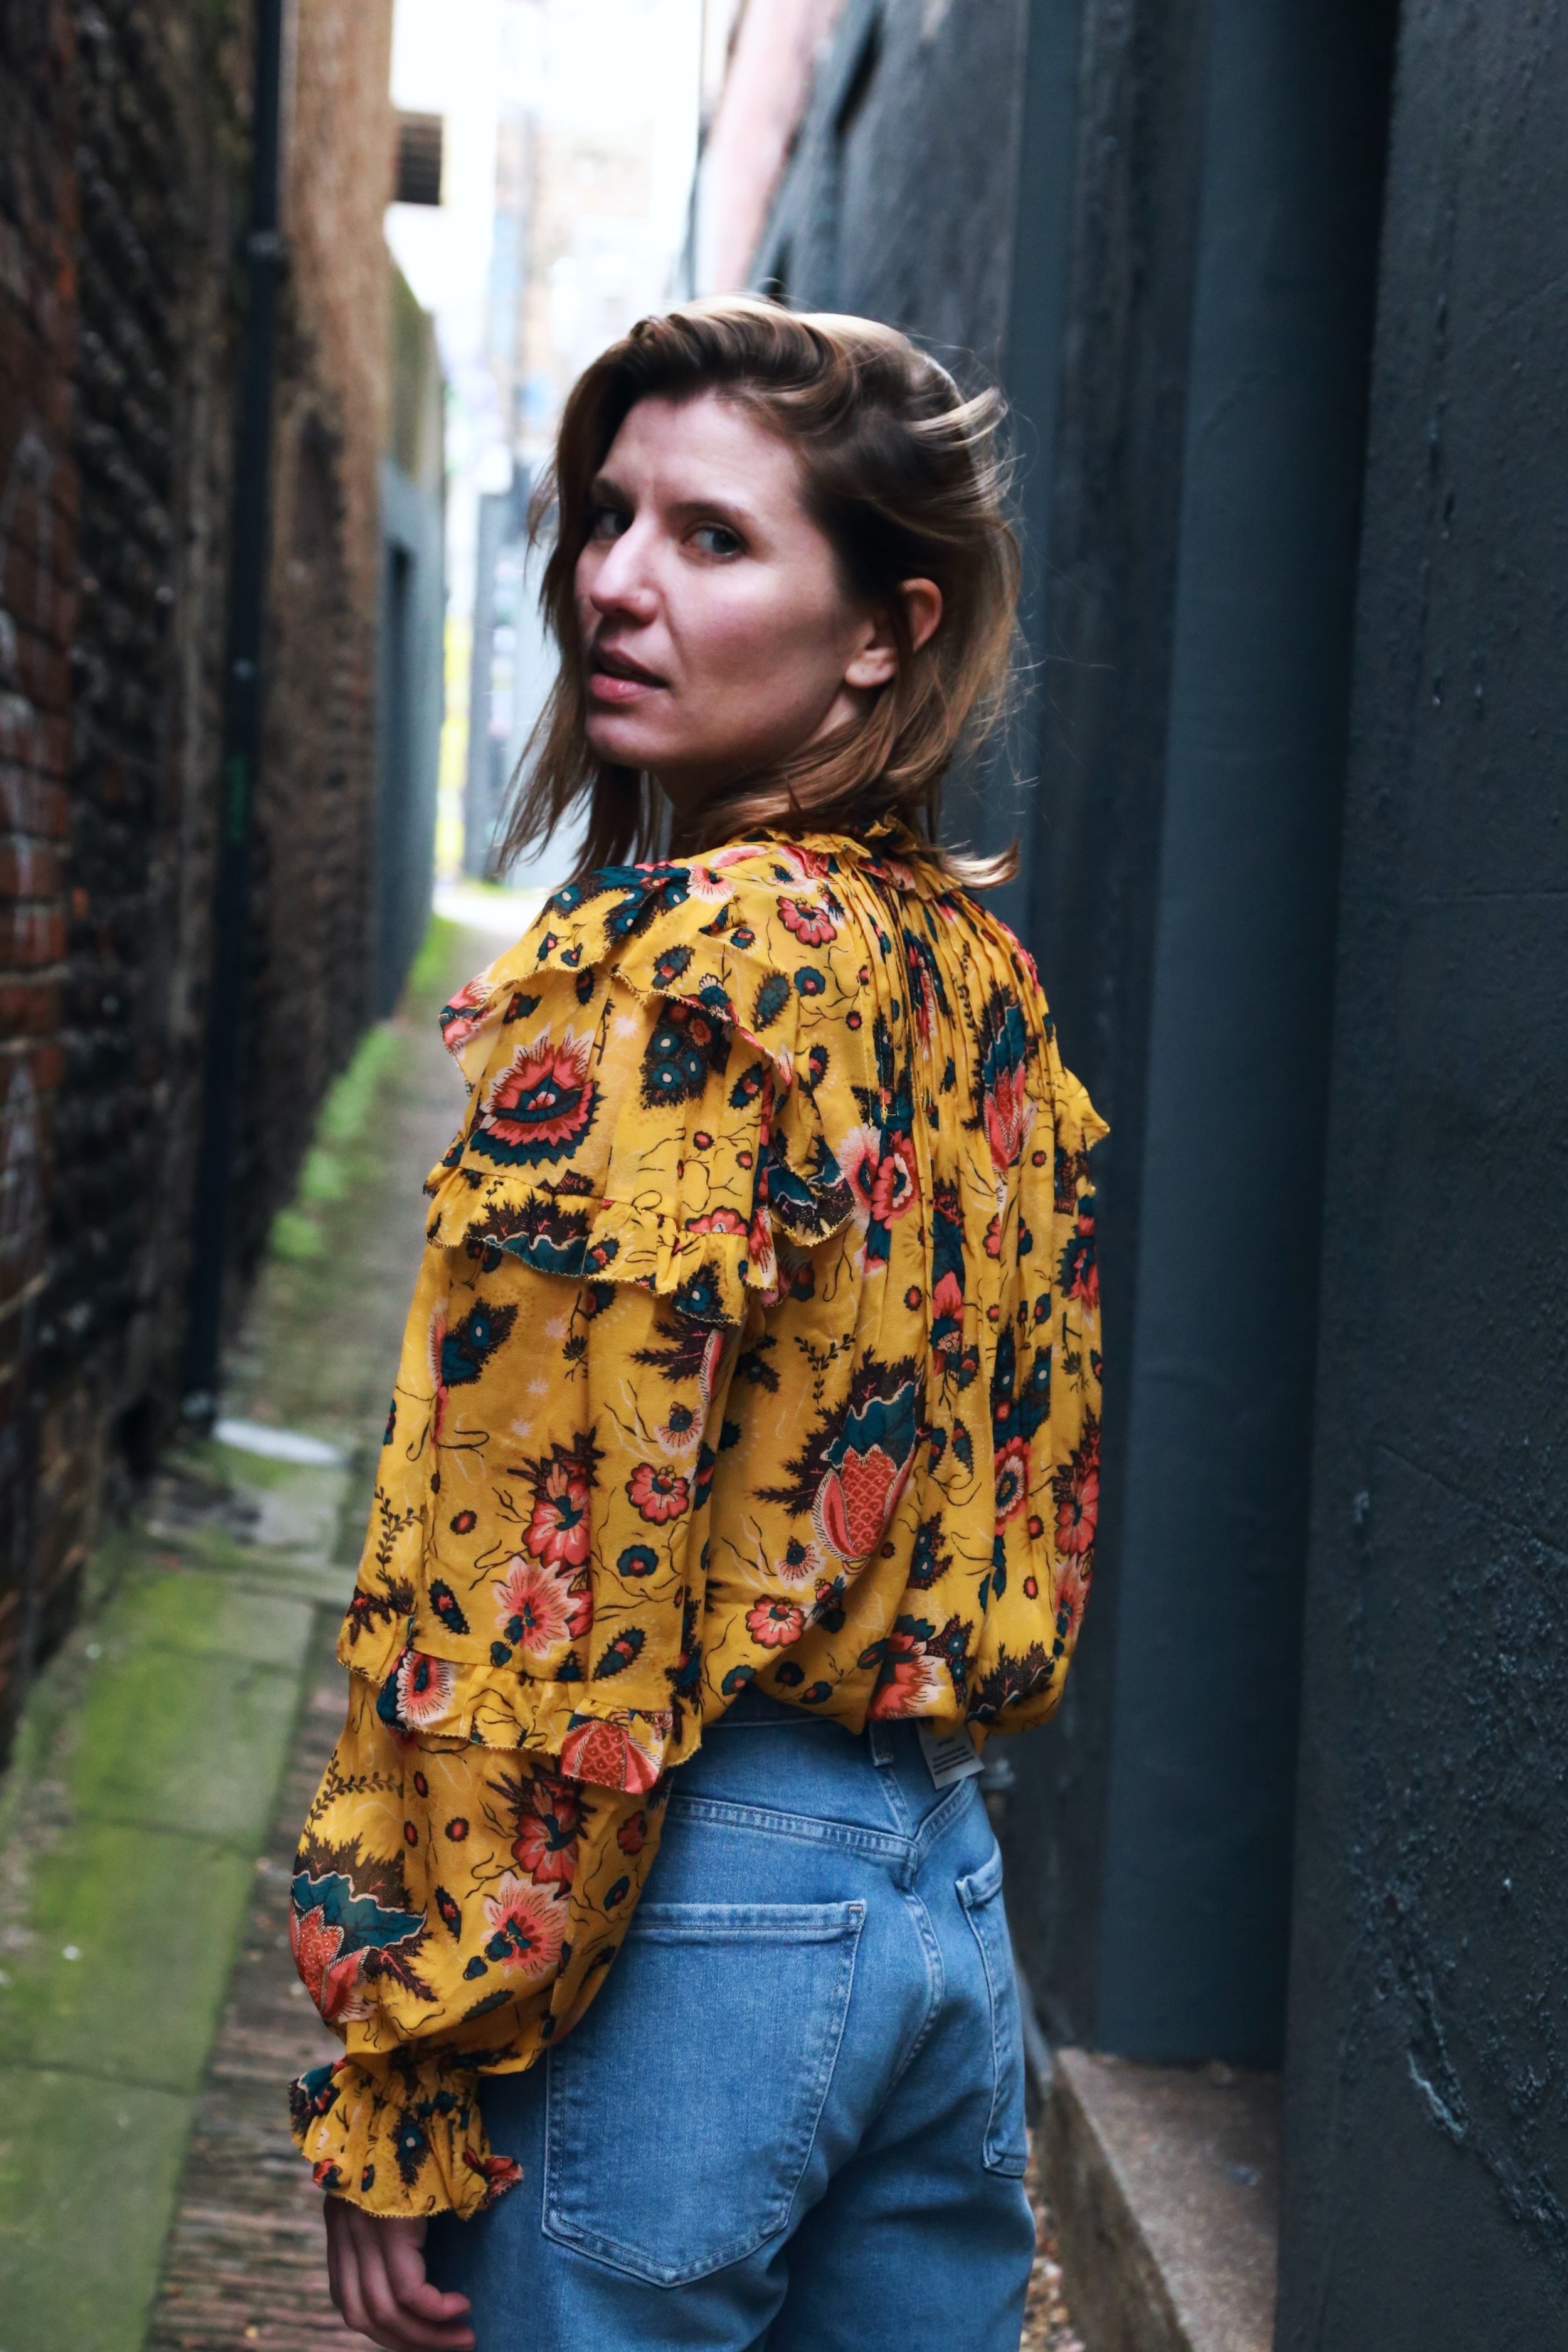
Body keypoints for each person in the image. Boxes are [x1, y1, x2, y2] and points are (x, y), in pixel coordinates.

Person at [287, 297, 1104, 2352]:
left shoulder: (666, 982)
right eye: (607, 515)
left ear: (882, 633)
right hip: (937, 1904)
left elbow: (529, 1574)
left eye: (710, 538)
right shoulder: (973, 984)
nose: (611, 583)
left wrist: (402, 2058)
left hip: (685, 1910)